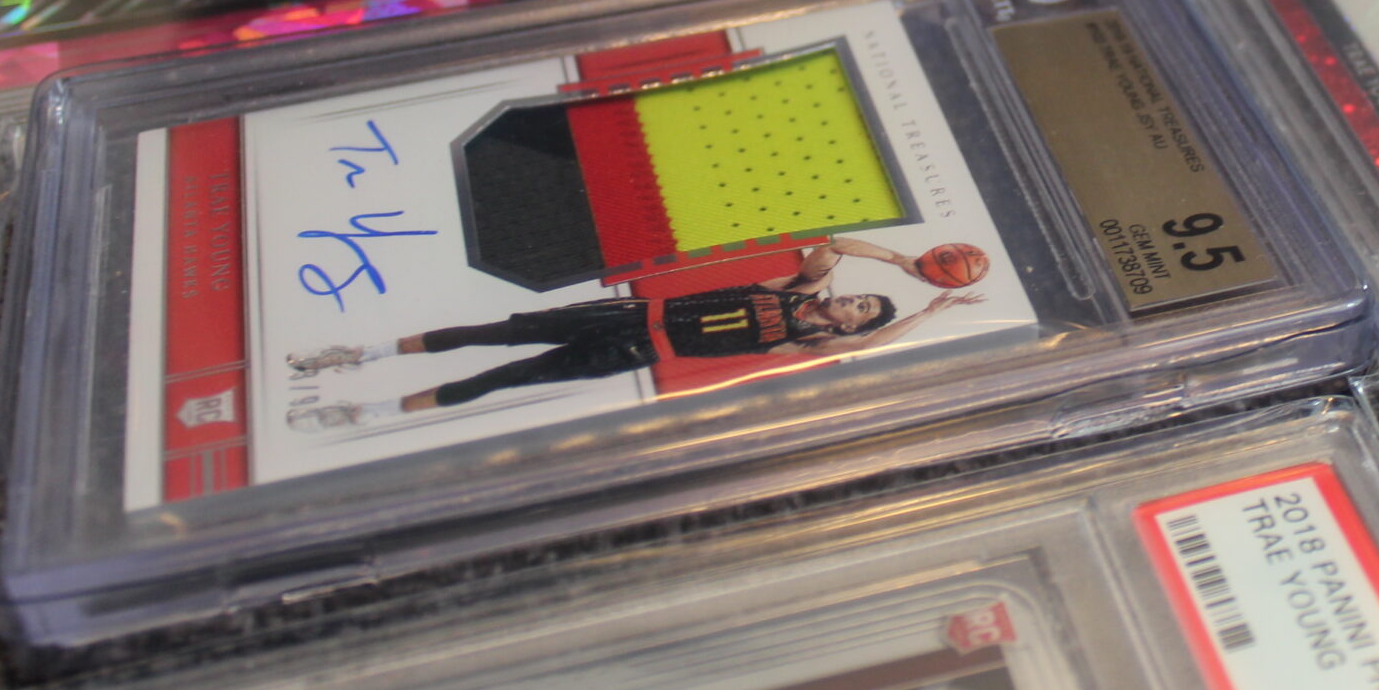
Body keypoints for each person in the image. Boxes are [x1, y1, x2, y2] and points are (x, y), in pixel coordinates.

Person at [287, 238, 985, 426]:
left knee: (497, 380)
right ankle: (362, 352)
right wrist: (902, 263)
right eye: (859, 295)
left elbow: (869, 347)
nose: (854, 301)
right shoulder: (798, 288)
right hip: (624, 314)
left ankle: (369, 411)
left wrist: (927, 314)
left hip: (639, 348)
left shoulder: (806, 340)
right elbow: (835, 245)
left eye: (863, 306)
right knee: (491, 331)